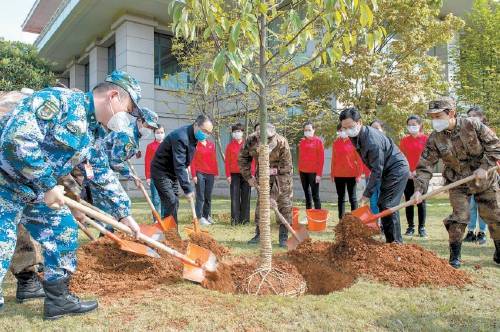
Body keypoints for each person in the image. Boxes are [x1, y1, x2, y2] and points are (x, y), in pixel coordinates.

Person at [0, 70, 143, 318]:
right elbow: (17, 140)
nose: (128, 118)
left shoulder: (92, 132)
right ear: (114, 96)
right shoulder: (58, 101)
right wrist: (47, 183)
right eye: (129, 109)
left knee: (63, 230)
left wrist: (123, 214)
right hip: (5, 182)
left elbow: (99, 172)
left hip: (34, 190)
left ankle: (58, 300)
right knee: (3, 243)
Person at [412, 97, 500, 268]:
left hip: (485, 180)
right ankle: (455, 257)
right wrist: (418, 190)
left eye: (438, 116)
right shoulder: (435, 138)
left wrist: (485, 166)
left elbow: (495, 146)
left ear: (451, 113)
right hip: (458, 182)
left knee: (495, 216)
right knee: (459, 218)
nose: (434, 121)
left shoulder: (472, 125)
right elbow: (425, 165)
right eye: (432, 117)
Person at [340, 108, 409, 243]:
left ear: (359, 122)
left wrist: (367, 194)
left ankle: (395, 243)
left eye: (351, 126)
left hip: (396, 169)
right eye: (345, 128)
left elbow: (377, 169)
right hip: (387, 170)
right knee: (384, 204)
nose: (348, 130)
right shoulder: (356, 136)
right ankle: (392, 241)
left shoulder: (372, 141)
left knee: (387, 205)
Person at [150, 114, 214, 225]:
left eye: (209, 133)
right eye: (204, 131)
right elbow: (179, 165)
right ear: (196, 125)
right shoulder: (181, 137)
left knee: (174, 202)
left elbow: (183, 161)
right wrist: (187, 189)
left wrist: (187, 166)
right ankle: (171, 235)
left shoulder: (193, 137)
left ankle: (171, 233)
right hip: (161, 171)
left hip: (172, 172)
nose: (206, 134)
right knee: (171, 201)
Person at [239, 123, 293, 248]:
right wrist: (248, 177)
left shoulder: (281, 142)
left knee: (284, 204)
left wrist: (273, 196)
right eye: (260, 137)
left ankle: (283, 237)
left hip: (282, 176)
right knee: (262, 205)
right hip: (262, 176)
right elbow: (243, 158)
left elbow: (286, 169)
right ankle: (259, 234)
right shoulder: (251, 140)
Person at [399, 115, 428, 237]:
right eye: (409, 124)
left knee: (421, 201)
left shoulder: (426, 139)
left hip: (421, 175)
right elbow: (401, 158)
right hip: (408, 175)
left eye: (414, 124)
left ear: (420, 125)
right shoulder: (404, 140)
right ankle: (410, 227)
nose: (412, 127)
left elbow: (428, 158)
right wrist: (408, 172)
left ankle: (422, 228)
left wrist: (417, 171)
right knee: (409, 201)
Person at [464, 107, 489, 245]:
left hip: (485, 175)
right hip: (470, 175)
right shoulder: (466, 134)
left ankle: (482, 233)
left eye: (475, 116)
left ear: (481, 117)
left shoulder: (488, 133)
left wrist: (483, 168)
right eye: (469, 116)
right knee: (471, 205)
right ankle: (471, 231)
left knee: (482, 205)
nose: (471, 119)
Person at [331, 123, 364, 219]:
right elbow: (334, 159)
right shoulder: (336, 143)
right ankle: (341, 219)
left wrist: (358, 175)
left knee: (353, 198)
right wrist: (332, 173)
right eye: (340, 130)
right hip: (338, 174)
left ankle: (355, 219)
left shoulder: (354, 142)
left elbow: (359, 159)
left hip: (351, 174)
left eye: (344, 130)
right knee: (341, 198)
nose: (342, 132)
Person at [225, 123, 252, 225]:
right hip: (234, 175)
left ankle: (245, 220)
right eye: (235, 132)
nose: (237, 133)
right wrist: (228, 175)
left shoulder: (247, 145)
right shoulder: (229, 146)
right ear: (232, 134)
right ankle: (235, 220)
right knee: (235, 197)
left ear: (243, 133)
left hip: (246, 174)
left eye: (239, 131)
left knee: (246, 197)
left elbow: (252, 161)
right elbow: (227, 161)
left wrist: (252, 174)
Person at [191, 134, 218, 225]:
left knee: (208, 196)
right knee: (200, 196)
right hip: (199, 173)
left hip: (210, 173)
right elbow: (192, 161)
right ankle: (199, 217)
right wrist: (194, 175)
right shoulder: (194, 145)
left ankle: (207, 216)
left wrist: (216, 173)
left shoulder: (211, 144)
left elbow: (214, 159)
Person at [298, 121, 324, 209]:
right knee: (307, 195)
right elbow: (301, 157)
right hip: (303, 172)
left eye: (309, 130)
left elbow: (321, 159)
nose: (307, 131)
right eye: (305, 130)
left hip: (313, 173)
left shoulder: (318, 142)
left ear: (314, 130)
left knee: (315, 195)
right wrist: (299, 170)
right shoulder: (302, 142)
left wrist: (319, 174)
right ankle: (309, 215)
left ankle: (318, 215)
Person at [145, 125, 167, 219]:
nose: (160, 134)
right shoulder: (150, 146)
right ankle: (156, 219)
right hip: (154, 176)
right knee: (156, 199)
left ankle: (164, 218)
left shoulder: (167, 145)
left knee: (165, 198)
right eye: (158, 132)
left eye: (162, 132)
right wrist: (148, 177)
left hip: (166, 176)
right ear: (154, 134)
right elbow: (147, 162)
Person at [368, 120, 385, 215]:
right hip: (371, 176)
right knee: (373, 201)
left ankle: (384, 223)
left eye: (377, 128)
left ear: (382, 130)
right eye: (372, 128)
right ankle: (375, 223)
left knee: (382, 200)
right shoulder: (368, 143)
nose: (374, 131)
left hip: (383, 176)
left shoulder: (387, 142)